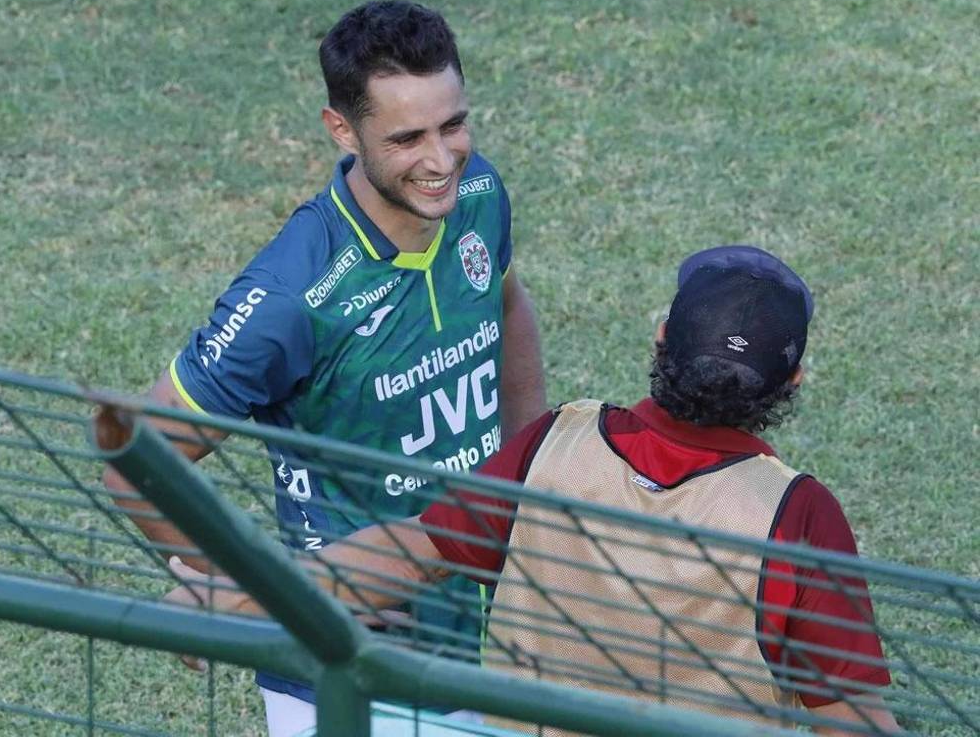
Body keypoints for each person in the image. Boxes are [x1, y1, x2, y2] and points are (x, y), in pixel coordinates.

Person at [171, 246, 900, 736]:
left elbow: (404, 554)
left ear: (660, 338)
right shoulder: (799, 516)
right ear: (792, 383)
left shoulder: (556, 445)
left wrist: (233, 598)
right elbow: (852, 719)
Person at [104, 0, 547, 737]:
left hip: (488, 632)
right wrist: (239, 591)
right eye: (407, 138)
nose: (441, 161)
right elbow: (136, 457)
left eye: (453, 125)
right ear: (342, 129)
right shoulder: (292, 295)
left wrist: (527, 473)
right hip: (353, 674)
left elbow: (508, 306)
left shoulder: (478, 195)